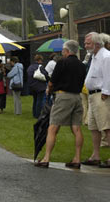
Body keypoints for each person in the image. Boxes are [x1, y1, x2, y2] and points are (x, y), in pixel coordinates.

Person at [37, 40, 87, 168]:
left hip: (63, 96)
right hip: (77, 96)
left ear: (67, 51)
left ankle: (46, 158)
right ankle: (77, 158)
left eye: (63, 51)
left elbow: (52, 81)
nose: (62, 53)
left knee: (53, 127)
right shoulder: (82, 65)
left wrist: (49, 89)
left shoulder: (62, 62)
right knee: (76, 128)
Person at [81, 32, 110, 168]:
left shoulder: (105, 56)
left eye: (88, 43)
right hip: (93, 95)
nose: (85, 45)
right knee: (93, 127)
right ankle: (96, 155)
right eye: (86, 43)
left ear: (97, 43)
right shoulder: (94, 56)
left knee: (106, 126)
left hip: (101, 95)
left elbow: (108, 75)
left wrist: (106, 92)